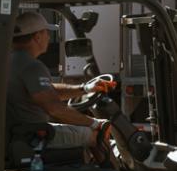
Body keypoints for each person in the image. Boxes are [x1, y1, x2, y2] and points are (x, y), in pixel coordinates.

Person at [7, 11, 115, 157]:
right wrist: (95, 123)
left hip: (19, 132)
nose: (49, 37)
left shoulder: (10, 61)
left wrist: (85, 88)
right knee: (98, 134)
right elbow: (55, 108)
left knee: (87, 129)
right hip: (31, 137)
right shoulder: (32, 66)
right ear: (37, 37)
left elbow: (47, 91)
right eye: (46, 33)